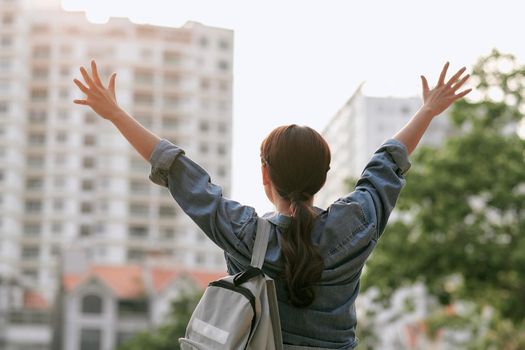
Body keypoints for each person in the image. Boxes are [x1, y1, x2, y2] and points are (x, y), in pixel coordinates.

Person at [73, 61, 471, 349]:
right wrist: (427, 110)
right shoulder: (358, 223)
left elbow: (181, 174)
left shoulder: (245, 233)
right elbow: (387, 162)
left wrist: (115, 113)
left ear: (266, 176)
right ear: (324, 177)